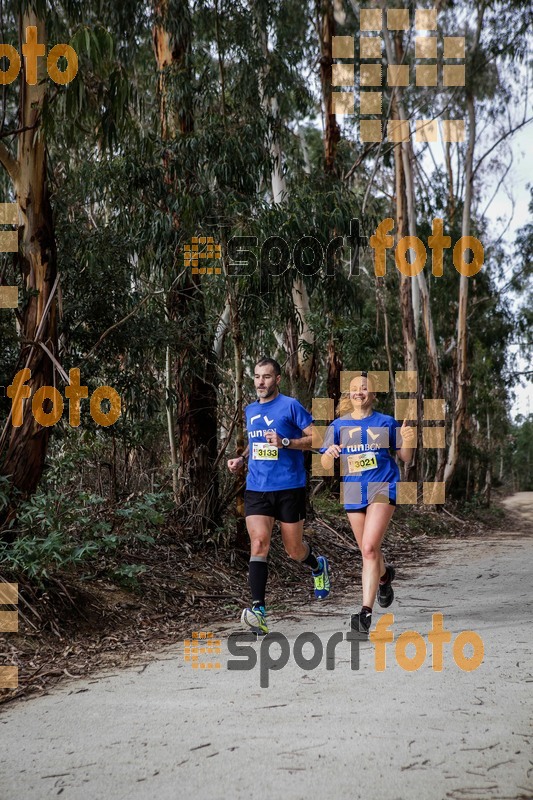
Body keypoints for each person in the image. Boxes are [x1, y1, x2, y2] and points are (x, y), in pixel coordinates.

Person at [227, 357, 330, 635]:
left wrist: (286, 442)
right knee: (258, 543)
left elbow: (316, 439)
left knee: (293, 550)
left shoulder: (291, 406)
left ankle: (317, 565)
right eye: (257, 377)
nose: (261, 382)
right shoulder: (249, 410)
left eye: (267, 377)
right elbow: (255, 443)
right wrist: (240, 459)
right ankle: (259, 611)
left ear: (278, 379)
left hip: (289, 487)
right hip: (257, 487)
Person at [320, 372, 415, 638]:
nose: (359, 392)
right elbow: (325, 464)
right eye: (354, 389)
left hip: (383, 488)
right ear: (349, 395)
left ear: (373, 394)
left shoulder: (386, 422)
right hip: (353, 491)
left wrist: (408, 437)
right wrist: (329, 453)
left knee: (370, 548)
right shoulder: (338, 426)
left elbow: (405, 457)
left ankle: (364, 614)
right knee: (368, 552)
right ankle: (384, 577)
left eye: (365, 388)